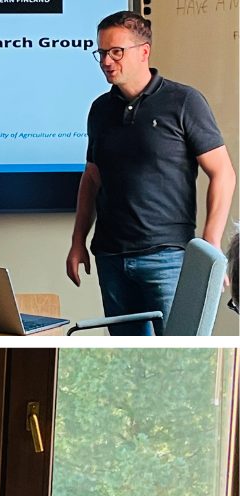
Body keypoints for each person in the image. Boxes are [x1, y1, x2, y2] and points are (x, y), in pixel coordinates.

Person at [65, 11, 234, 336]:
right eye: (101, 52)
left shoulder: (183, 101)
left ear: (143, 51)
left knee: (180, 358)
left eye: (116, 51)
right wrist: (77, 242)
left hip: (168, 257)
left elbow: (223, 173)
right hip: (111, 257)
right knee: (130, 361)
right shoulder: (100, 110)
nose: (106, 61)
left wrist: (210, 244)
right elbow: (91, 178)